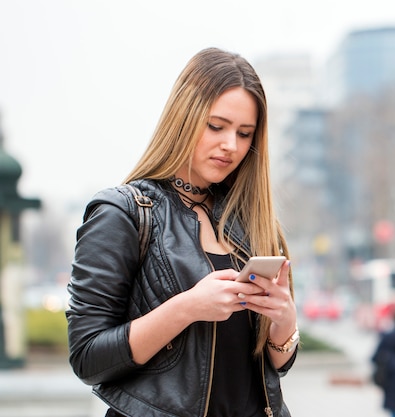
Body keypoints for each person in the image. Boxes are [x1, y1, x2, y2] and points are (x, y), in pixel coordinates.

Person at [66, 47, 298, 417]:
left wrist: (284, 322)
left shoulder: (254, 221)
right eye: (216, 126)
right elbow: (88, 358)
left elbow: (278, 366)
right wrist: (188, 308)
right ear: (184, 117)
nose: (231, 146)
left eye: (244, 133)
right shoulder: (123, 213)